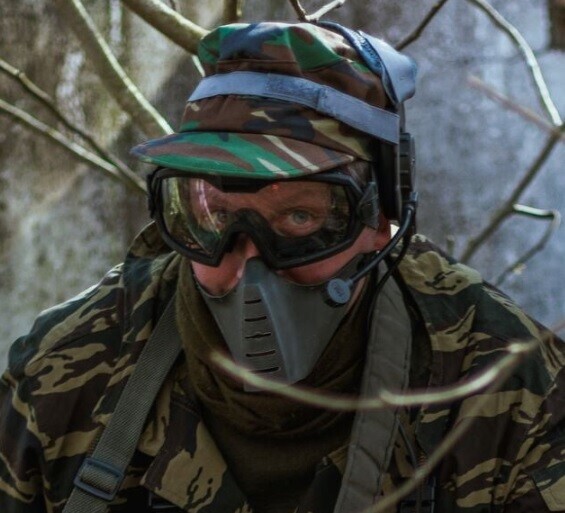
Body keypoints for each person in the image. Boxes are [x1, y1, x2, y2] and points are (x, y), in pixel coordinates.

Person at [0, 21, 563, 513]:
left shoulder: (510, 390)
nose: (249, 264)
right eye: (217, 216)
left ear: (380, 218)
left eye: (298, 217)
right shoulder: (69, 370)